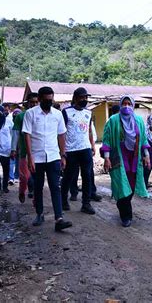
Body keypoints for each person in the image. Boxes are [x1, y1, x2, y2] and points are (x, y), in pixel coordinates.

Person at [22, 86, 72, 232]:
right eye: (46, 100)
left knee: (55, 187)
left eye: (51, 100)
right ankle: (39, 214)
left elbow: (61, 135)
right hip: (36, 157)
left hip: (53, 156)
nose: (49, 102)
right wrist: (30, 157)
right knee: (37, 187)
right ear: (40, 99)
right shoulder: (30, 114)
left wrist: (63, 155)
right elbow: (27, 135)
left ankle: (59, 218)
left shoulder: (57, 115)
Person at [101, 95, 151, 227]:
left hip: (134, 158)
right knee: (121, 186)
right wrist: (106, 158)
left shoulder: (139, 120)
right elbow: (106, 140)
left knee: (131, 186)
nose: (126, 106)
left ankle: (124, 209)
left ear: (133, 106)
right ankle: (126, 216)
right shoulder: (112, 120)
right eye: (124, 103)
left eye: (129, 104)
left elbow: (144, 139)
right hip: (118, 158)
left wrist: (146, 155)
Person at [60, 87, 97, 215]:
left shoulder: (89, 113)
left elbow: (89, 130)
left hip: (85, 148)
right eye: (81, 97)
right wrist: (62, 152)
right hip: (71, 150)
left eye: (86, 97)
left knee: (87, 177)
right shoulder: (66, 112)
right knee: (68, 176)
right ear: (75, 98)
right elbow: (61, 133)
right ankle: (63, 200)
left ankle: (86, 204)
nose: (84, 100)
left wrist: (92, 145)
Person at [12, 94, 38, 203]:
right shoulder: (20, 117)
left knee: (37, 178)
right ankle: (22, 191)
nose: (34, 104)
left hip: (38, 152)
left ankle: (36, 200)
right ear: (27, 103)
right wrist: (13, 149)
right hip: (24, 152)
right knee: (24, 177)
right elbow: (16, 134)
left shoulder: (42, 116)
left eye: (37, 102)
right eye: (32, 102)